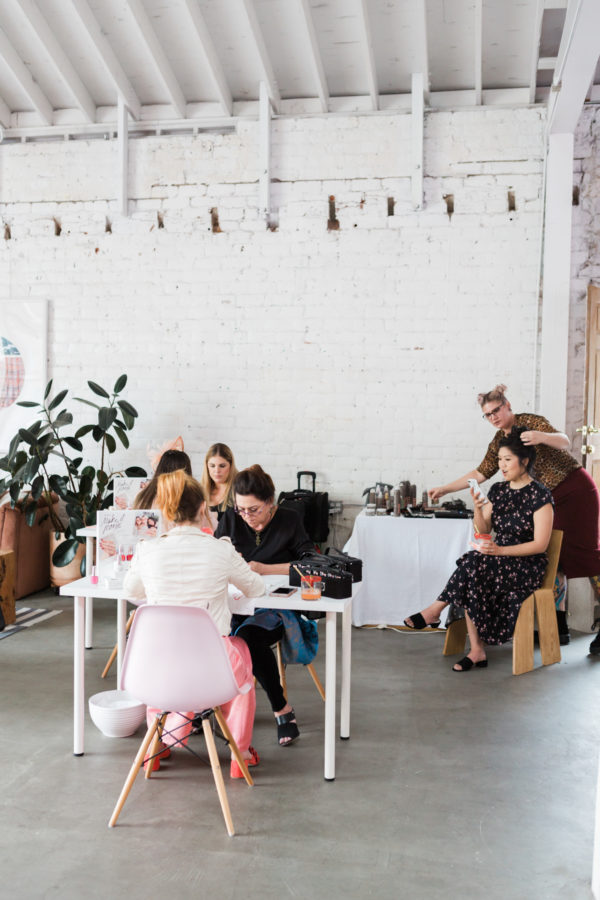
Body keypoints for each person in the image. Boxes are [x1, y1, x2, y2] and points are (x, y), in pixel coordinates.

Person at [407, 384, 600, 653]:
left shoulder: (529, 422)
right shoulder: (499, 442)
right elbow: (482, 472)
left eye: (496, 410)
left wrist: (540, 436)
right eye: (487, 414)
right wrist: (446, 488)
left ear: (507, 405)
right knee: (555, 560)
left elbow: (565, 440)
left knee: (587, 557)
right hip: (545, 497)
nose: (494, 417)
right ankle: (557, 629)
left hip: (573, 489)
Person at [123, 470, 266, 778]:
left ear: (166, 510)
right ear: (203, 507)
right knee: (240, 652)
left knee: (159, 659)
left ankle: (154, 750)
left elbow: (131, 592)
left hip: (157, 667)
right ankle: (239, 754)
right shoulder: (220, 549)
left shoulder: (148, 550)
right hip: (210, 668)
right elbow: (255, 588)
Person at [434, 428, 554, 671]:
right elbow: (483, 531)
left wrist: (499, 551)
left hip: (526, 564)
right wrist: (478, 507)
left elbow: (540, 544)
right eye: (499, 459)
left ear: (525, 461)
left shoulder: (540, 495)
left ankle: (437, 610)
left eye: (507, 460)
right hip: (497, 560)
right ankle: (476, 650)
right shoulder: (498, 490)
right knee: (473, 567)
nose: (502, 465)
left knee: (472, 565)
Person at [215, 465, 316, 745]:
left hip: (274, 609)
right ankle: (204, 705)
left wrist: (262, 568)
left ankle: (281, 709)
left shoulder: (289, 519)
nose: (247, 517)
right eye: (241, 509)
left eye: (254, 510)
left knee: (248, 639)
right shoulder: (232, 520)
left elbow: (308, 564)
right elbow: (215, 556)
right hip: (234, 604)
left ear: (270, 503)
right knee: (207, 632)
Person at [200, 443, 238, 531]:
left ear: (230, 465)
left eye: (222, 466)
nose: (217, 471)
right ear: (207, 466)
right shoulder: (200, 490)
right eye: (212, 466)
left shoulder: (239, 488)